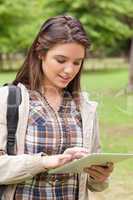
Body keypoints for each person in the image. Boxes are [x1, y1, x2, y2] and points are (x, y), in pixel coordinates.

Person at [0, 15, 113, 200]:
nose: (69, 70)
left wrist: (99, 176)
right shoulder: (8, 100)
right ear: (40, 53)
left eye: (77, 62)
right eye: (61, 60)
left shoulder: (85, 107)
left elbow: (94, 183)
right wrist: (43, 162)